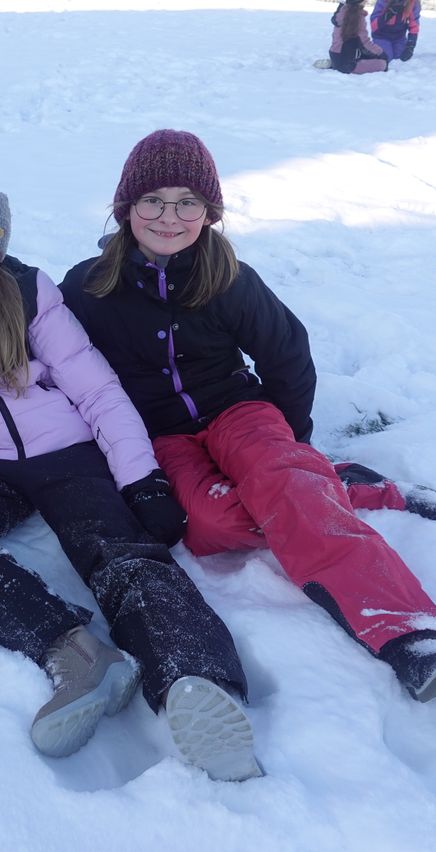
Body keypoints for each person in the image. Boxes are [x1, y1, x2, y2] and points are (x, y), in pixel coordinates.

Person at [0, 177, 262, 782]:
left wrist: (142, 478)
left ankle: (195, 678)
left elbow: (96, 388)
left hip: (65, 449)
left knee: (120, 554)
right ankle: (75, 653)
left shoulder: (31, 293)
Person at [60, 129, 436, 709]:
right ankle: (331, 482)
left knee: (285, 483)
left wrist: (289, 447)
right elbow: (56, 362)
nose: (169, 216)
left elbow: (287, 352)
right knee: (210, 526)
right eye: (153, 201)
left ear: (208, 212)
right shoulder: (88, 287)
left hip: (241, 409)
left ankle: (407, 630)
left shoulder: (227, 276)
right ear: (126, 208)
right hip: (161, 435)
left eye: (188, 202)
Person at [328, 0, 389, 73]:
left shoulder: (341, 12)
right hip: (348, 64)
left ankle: (334, 65)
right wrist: (381, 53)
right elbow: (365, 43)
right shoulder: (358, 17)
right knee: (383, 64)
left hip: (335, 56)